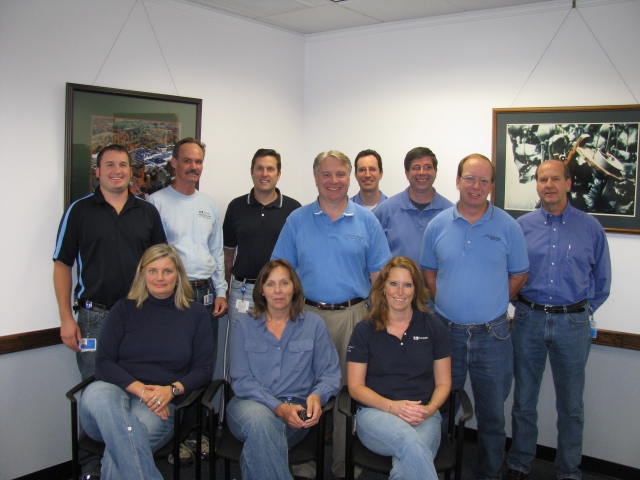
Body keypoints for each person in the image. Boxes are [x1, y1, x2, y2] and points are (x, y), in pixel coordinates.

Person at [272, 149, 391, 478]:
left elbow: (379, 277)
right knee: (300, 387)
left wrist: (376, 320)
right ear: (316, 177)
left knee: (347, 392)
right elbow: (282, 272)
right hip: (306, 316)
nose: (334, 181)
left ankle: (342, 465)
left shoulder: (367, 221)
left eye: (340, 174)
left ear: (348, 177)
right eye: (327, 174)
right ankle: (304, 461)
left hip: (354, 317)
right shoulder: (297, 220)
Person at [420, 153, 529, 480]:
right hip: (445, 332)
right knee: (438, 409)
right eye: (470, 178)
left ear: (491, 186)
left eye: (484, 180)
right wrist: (449, 304)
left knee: (492, 415)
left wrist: (492, 302)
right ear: (457, 180)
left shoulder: (508, 226)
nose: (476, 186)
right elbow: (428, 272)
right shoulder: (437, 224)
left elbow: (519, 275)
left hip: (492, 336)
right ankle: (432, 472)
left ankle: (490, 474)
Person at [505, 159, 611, 480]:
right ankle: (520, 464)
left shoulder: (590, 227)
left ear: (568, 183)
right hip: (529, 320)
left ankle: (568, 470)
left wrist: (579, 311)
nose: (548, 185)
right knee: (523, 399)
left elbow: (602, 281)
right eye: (542, 179)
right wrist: (518, 302)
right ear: (536, 184)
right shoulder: (521, 227)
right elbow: (509, 273)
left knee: (571, 406)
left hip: (573, 324)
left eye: (555, 179)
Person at [78, 243, 214, 480]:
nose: (160, 277)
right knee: (98, 394)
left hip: (158, 404)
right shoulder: (123, 309)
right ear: (142, 274)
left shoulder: (196, 315)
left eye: (167, 271)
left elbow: (203, 370)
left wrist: (172, 390)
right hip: (111, 397)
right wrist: (141, 390)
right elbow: (104, 364)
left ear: (178, 275)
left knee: (122, 446)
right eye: (152, 270)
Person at [53, 144, 166, 380]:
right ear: (98, 172)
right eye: (110, 164)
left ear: (130, 171)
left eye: (123, 164)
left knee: (140, 387)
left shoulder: (147, 212)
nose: (117, 170)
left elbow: (162, 265)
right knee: (95, 393)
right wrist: (66, 319)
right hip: (94, 318)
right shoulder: (78, 211)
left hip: (140, 314)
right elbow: (62, 266)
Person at [227, 259, 340, 480]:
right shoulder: (244, 326)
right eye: (270, 284)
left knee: (262, 439)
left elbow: (330, 374)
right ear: (261, 290)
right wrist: (278, 407)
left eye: (284, 283)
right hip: (248, 405)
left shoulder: (313, 324)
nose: (278, 290)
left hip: (296, 411)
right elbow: (240, 380)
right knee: (261, 422)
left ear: (294, 288)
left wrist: (317, 396)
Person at [346, 256, 451, 480]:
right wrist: (393, 407)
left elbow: (444, 382)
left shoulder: (434, 327)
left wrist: (430, 409)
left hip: (424, 416)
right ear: (383, 287)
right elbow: (355, 387)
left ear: (416, 289)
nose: (400, 292)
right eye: (394, 284)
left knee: (409, 461)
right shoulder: (365, 330)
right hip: (377, 414)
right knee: (411, 443)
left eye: (407, 284)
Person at [148, 137, 227, 358]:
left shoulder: (209, 204)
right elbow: (151, 257)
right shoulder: (156, 203)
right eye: (187, 161)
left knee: (204, 358)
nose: (194, 167)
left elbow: (216, 250)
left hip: (206, 292)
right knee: (172, 357)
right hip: (173, 292)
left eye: (199, 162)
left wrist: (221, 291)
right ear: (174, 163)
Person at [223, 148, 301, 325]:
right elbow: (227, 255)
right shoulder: (236, 207)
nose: (264, 174)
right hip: (243, 291)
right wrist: (225, 289)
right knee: (241, 348)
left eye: (270, 169)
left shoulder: (293, 209)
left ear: (279, 174)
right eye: (259, 168)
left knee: (278, 347)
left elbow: (300, 256)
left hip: (280, 292)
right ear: (252, 171)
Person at [375, 146, 453, 265]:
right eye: (416, 168)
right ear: (407, 173)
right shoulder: (385, 211)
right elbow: (372, 255)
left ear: (435, 171)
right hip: (397, 283)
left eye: (428, 167)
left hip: (436, 284)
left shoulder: (450, 213)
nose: (422, 172)